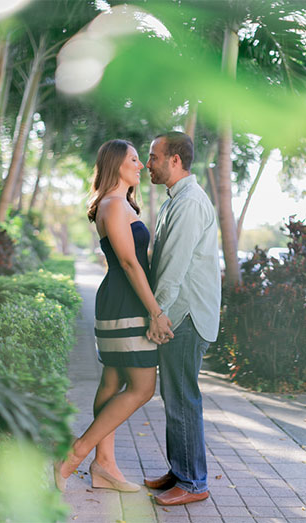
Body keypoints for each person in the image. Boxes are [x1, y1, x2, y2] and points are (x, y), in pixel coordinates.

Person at [55, 139, 173, 491]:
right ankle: (75, 454)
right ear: (115, 165)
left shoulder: (118, 204)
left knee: (112, 382)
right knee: (142, 388)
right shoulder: (112, 204)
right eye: (134, 160)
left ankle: (104, 466)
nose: (141, 165)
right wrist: (155, 312)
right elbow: (127, 262)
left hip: (120, 301)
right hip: (126, 304)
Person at [143, 131, 221, 506]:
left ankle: (193, 483)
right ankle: (181, 471)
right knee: (175, 396)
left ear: (175, 160)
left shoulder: (189, 203)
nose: (148, 164)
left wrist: (158, 313)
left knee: (182, 399)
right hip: (181, 313)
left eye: (154, 157)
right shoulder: (179, 199)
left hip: (184, 315)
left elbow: (173, 267)